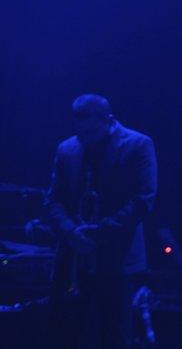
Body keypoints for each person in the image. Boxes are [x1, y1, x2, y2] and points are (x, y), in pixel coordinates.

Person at [45, 94, 158, 348]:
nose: (84, 139)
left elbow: (143, 201)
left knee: (115, 335)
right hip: (74, 259)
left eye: (90, 132)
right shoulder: (67, 149)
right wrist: (72, 233)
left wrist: (98, 232)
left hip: (117, 261)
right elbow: (52, 201)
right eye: (80, 132)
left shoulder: (138, 145)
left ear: (109, 120)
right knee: (64, 333)